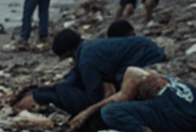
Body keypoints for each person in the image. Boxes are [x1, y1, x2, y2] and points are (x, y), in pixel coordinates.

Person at [12, 28, 165, 117]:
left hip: (149, 59)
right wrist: (55, 86)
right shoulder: (87, 49)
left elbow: (93, 96)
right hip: (148, 49)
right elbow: (75, 75)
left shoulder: (87, 59)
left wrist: (57, 95)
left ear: (69, 51)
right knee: (63, 88)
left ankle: (40, 97)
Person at [67, 67, 196, 132]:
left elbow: (118, 100)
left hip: (180, 120)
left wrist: (86, 112)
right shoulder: (164, 80)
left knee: (109, 111)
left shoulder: (132, 76)